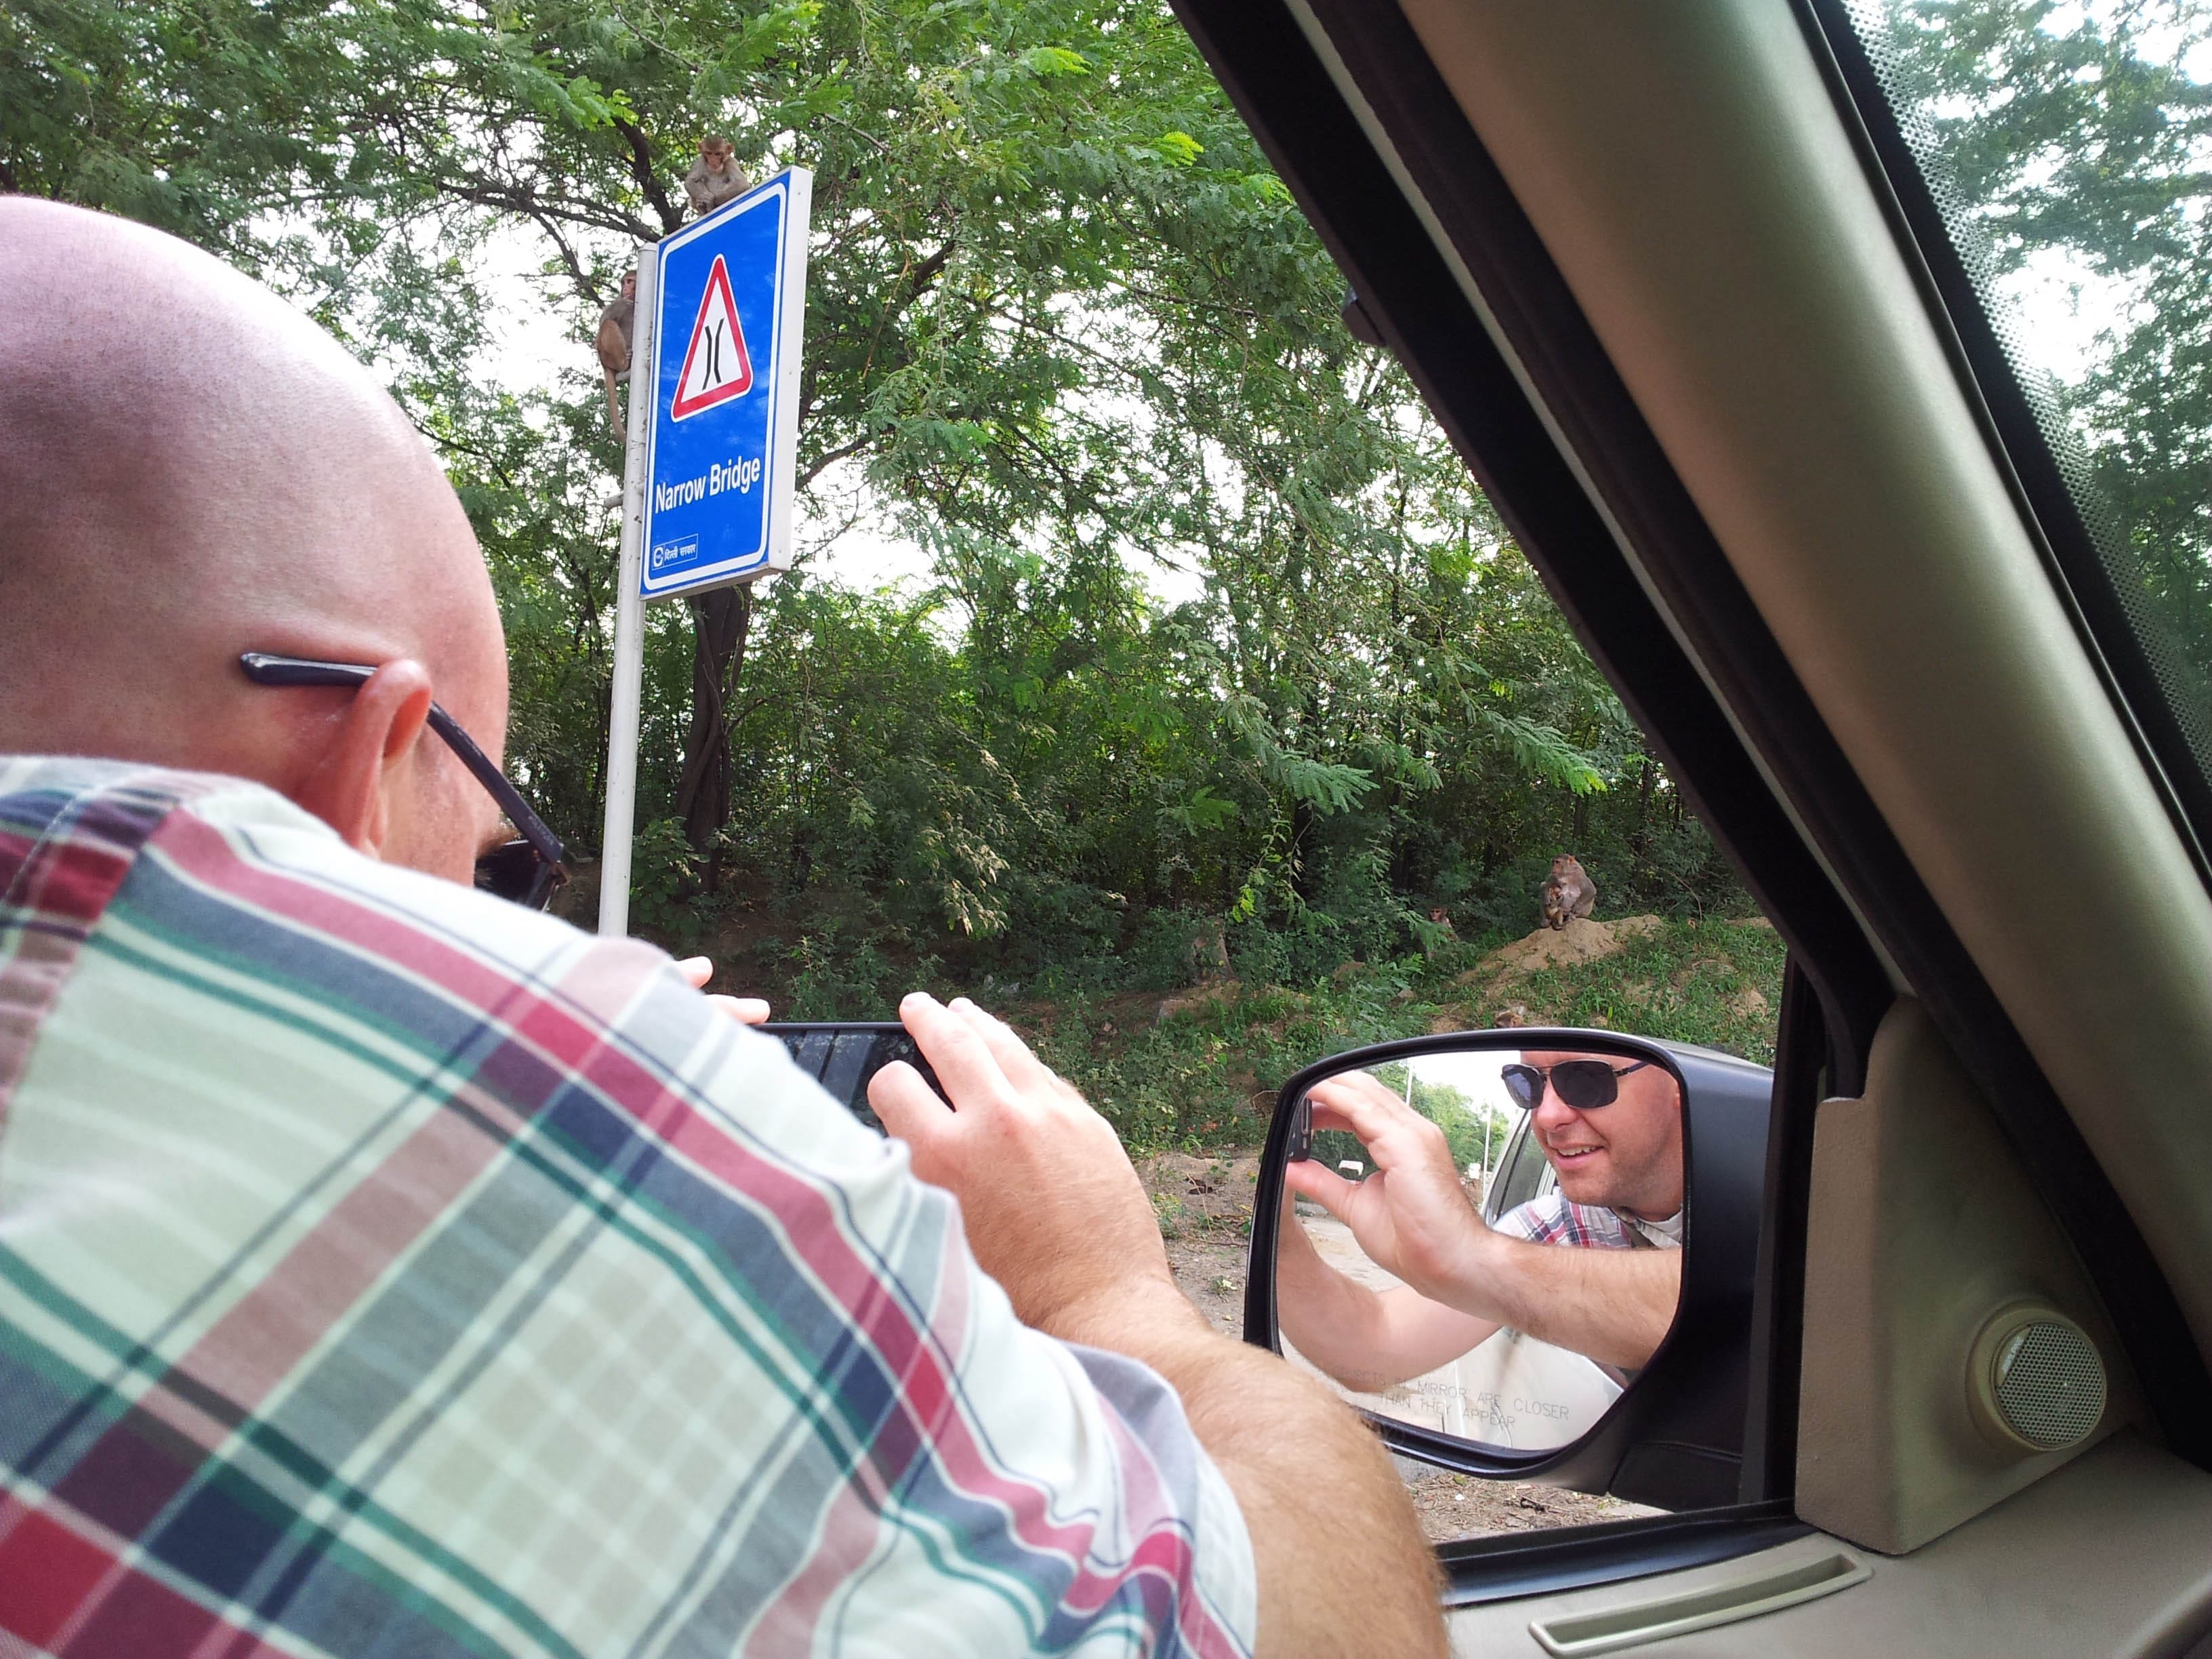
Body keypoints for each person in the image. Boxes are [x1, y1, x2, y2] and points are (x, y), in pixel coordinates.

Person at [0, 199, 1444, 1658]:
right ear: (362, 761)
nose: (496, 930)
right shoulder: (529, 1100)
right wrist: (1104, 1291)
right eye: (503, 868)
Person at [1276, 1051, 1685, 1397]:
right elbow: (1372, 1350)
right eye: (1529, 1085)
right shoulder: (1558, 1225)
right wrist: (1280, 1236)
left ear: (1680, 1082)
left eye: (1586, 1079)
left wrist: (1473, 1257)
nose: (1547, 1116)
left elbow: (1722, 1296)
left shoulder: (1745, 1193)